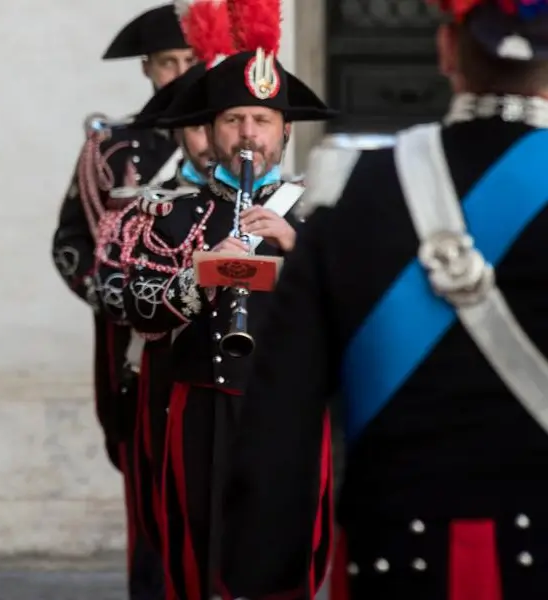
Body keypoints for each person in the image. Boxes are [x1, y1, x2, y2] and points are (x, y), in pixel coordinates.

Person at [217, 1, 548, 599]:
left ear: (446, 50)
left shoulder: (354, 189)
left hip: (396, 558)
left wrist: (264, 565)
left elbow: (284, 405)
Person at [120, 0, 336, 597]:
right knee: (197, 551)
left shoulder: (318, 212)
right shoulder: (170, 213)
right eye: (234, 120)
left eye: (262, 120)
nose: (248, 135)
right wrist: (201, 277)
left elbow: (356, 309)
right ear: (211, 131)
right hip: (200, 407)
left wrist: (294, 247)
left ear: (285, 130)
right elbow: (135, 306)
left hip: (289, 404)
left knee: (286, 554)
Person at [50, 5, 195, 599]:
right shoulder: (112, 149)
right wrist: (123, 299)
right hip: (136, 349)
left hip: (213, 346)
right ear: (147, 68)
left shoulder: (234, 136)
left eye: (191, 60)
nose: (181, 73)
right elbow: (71, 244)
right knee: (150, 494)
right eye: (168, 62)